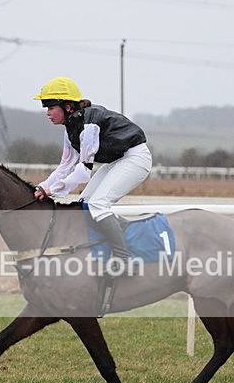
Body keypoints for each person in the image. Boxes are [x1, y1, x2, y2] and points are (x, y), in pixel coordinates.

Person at [33, 76, 152, 273]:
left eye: (51, 107)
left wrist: (51, 190)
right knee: (85, 204)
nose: (47, 113)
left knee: (97, 205)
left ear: (68, 107)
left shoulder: (89, 124)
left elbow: (83, 172)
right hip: (118, 160)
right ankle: (124, 237)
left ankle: (125, 260)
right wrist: (41, 186)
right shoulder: (70, 128)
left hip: (136, 158)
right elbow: (64, 167)